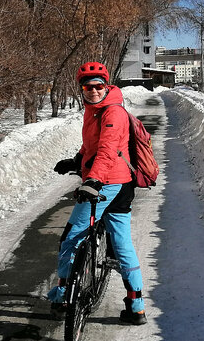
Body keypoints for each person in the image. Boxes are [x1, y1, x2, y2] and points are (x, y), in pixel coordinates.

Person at [49, 62, 146, 325]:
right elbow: (92, 145)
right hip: (121, 183)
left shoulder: (112, 112)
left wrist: (92, 180)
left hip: (107, 183)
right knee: (121, 242)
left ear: (106, 85)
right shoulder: (95, 110)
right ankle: (136, 308)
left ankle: (63, 296)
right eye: (87, 87)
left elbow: (106, 150)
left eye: (98, 86)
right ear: (82, 89)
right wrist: (77, 159)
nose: (92, 91)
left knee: (72, 236)